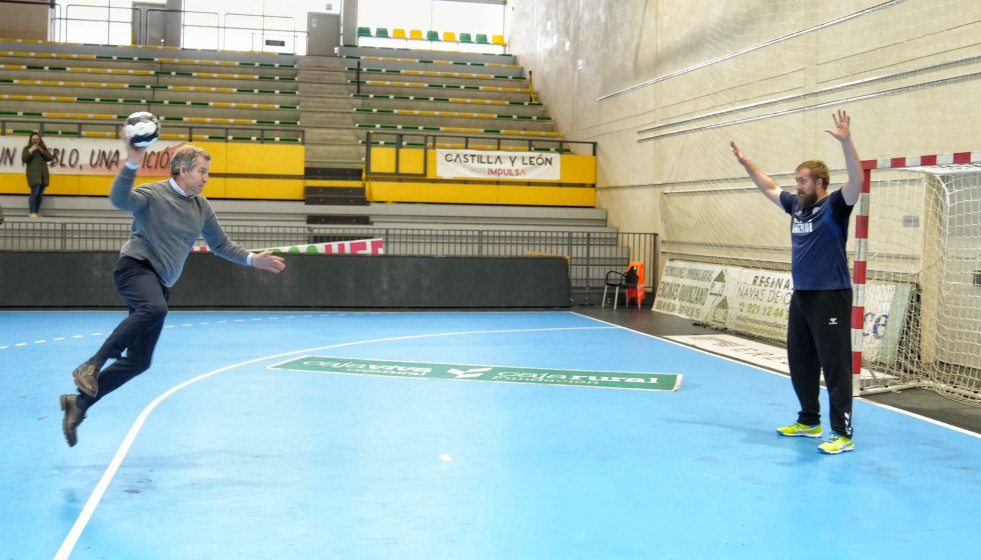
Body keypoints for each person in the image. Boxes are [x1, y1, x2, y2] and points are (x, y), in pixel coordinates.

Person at [60, 139, 287, 447]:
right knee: (154, 309)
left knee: (140, 361)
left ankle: (79, 404)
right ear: (182, 171)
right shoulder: (153, 194)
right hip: (134, 268)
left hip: (159, 284)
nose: (206, 178)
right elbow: (119, 200)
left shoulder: (201, 207)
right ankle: (92, 364)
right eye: (202, 171)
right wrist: (131, 162)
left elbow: (220, 245)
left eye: (207, 172)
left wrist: (252, 259)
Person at [730, 109, 863, 455]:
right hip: (802, 295)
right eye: (796, 180)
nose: (796, 185)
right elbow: (769, 187)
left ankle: (843, 433)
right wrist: (747, 163)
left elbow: (857, 180)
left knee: (834, 365)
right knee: (800, 359)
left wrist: (847, 143)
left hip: (831, 295)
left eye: (802, 180)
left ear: (819, 183)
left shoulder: (835, 206)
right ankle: (809, 421)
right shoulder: (797, 207)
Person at [22, 132, 54, 218]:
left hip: (42, 175)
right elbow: (24, 158)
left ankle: (36, 211)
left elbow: (50, 158)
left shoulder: (42, 149)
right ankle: (32, 212)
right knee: (34, 193)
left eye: (37, 139)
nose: (35, 141)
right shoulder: (27, 148)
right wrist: (31, 150)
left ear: (40, 140)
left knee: (40, 194)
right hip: (33, 174)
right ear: (30, 140)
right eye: (33, 139)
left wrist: (40, 149)